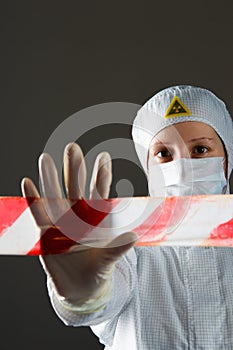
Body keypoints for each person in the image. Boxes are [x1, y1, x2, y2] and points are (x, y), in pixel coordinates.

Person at [21, 85, 233, 349]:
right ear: (147, 167)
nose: (180, 168)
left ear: (227, 160)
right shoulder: (125, 236)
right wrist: (87, 293)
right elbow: (105, 299)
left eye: (200, 150)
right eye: (163, 153)